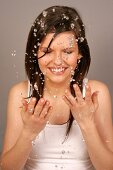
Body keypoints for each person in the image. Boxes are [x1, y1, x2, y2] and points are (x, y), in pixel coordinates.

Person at [0, 5, 113, 170]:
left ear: (80, 53)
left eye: (67, 51)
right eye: (47, 51)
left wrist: (86, 123)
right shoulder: (21, 93)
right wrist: (28, 133)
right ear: (35, 53)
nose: (58, 61)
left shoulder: (96, 93)